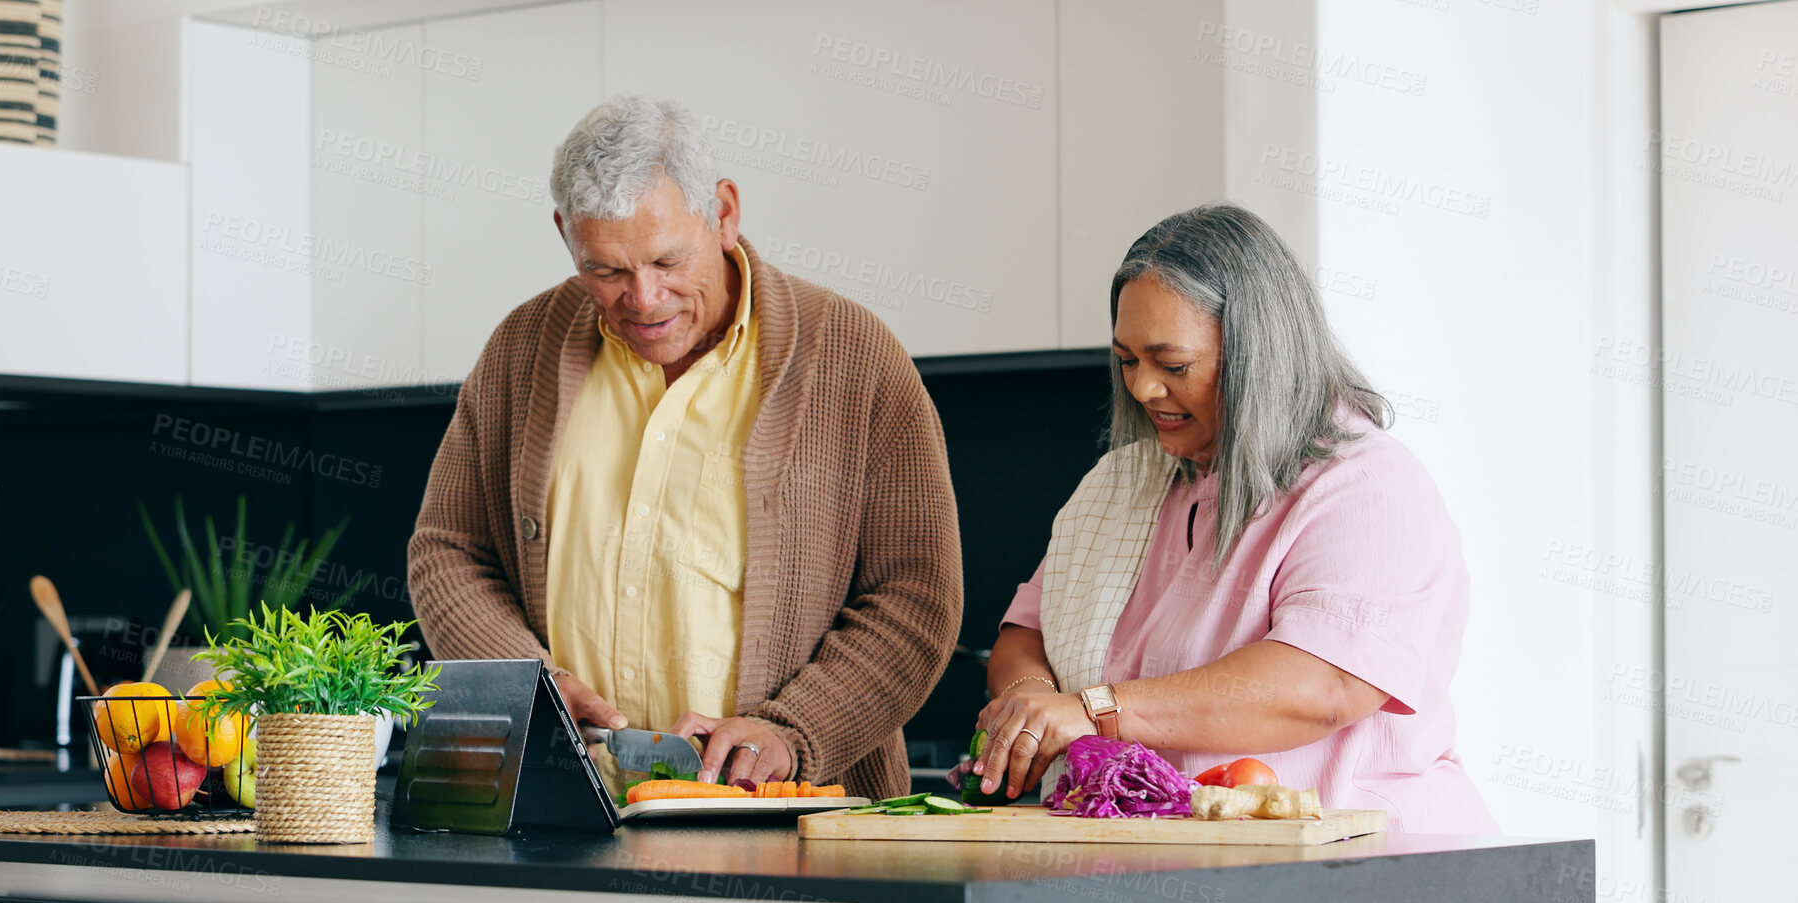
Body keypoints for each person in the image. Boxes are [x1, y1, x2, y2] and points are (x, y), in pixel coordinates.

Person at [407, 95, 962, 800]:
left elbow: (915, 597)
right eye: (605, 270)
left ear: (724, 213)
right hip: (568, 809)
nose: (642, 297)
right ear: (564, 235)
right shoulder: (523, 348)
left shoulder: (855, 359)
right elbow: (447, 550)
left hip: (796, 820)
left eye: (667, 259)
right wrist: (534, 690)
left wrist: (791, 731)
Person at [965, 203, 1496, 834]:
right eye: (1128, 359)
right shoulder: (1121, 483)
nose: (1142, 388)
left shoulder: (1368, 487)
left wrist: (1093, 710)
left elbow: (1320, 687)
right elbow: (1027, 633)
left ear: (1260, 355)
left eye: (1173, 365)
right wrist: (1030, 698)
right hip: (1170, 861)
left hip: (1352, 864)